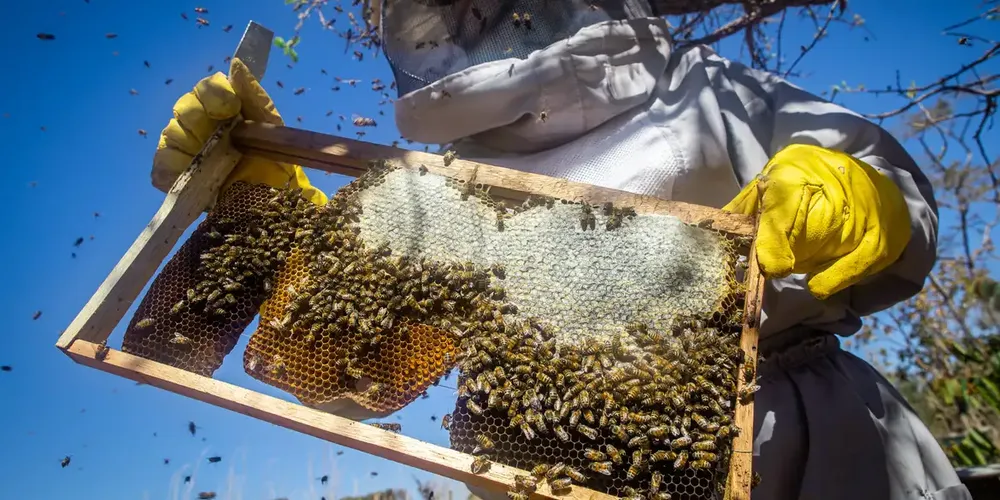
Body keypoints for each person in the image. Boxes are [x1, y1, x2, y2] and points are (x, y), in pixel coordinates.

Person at [151, 1, 972, 499]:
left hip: (808, 435)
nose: (471, 16)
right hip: (571, 468)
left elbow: (884, 185)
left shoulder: (706, 88)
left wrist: (864, 194)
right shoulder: (436, 186)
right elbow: (350, 374)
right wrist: (283, 224)